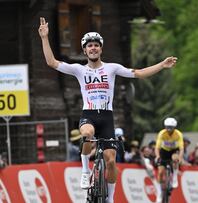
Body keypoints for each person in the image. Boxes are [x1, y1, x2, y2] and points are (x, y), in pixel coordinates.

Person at [38, 17, 177, 203]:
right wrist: (44, 38)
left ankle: (110, 198)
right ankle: (86, 171)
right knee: (87, 133)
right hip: (89, 115)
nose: (93, 48)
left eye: (96, 45)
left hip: (107, 118)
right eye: (89, 46)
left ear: (101, 49)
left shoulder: (112, 68)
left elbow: (139, 73)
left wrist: (161, 64)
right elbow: (52, 62)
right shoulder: (79, 70)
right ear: (85, 50)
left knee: (111, 161)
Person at [154, 117, 184, 203]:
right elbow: (157, 148)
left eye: (171, 127)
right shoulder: (162, 133)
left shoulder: (178, 134)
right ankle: (159, 193)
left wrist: (180, 158)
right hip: (164, 151)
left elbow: (181, 149)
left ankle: (174, 178)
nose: (169, 129)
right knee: (160, 173)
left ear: (174, 127)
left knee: (175, 158)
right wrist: (157, 156)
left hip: (174, 151)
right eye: (167, 127)